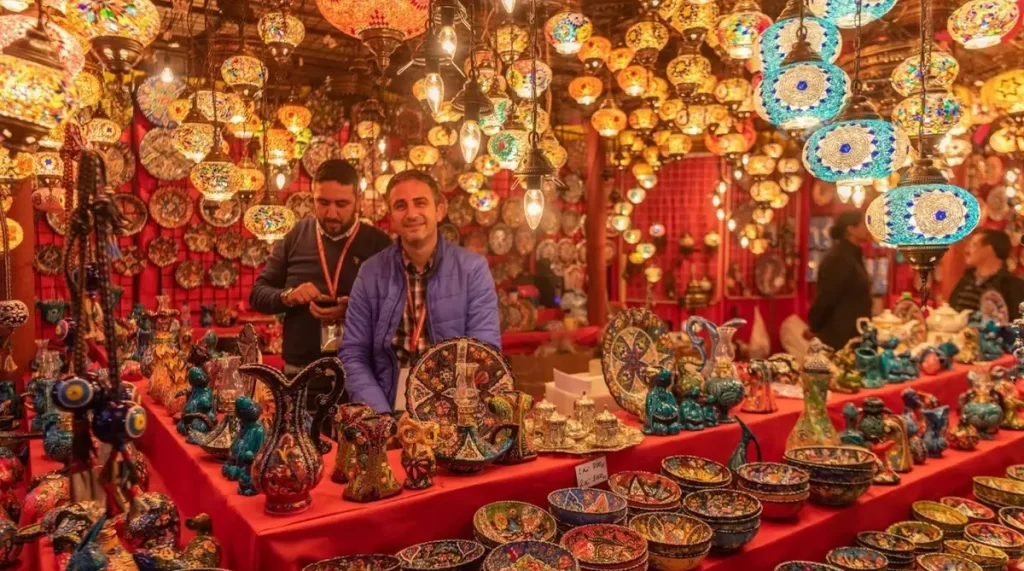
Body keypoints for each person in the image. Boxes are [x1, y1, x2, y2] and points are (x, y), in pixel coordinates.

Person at [339, 170, 501, 412]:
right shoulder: (370, 273)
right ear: (391, 215)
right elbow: (353, 354)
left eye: (420, 203)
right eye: (400, 205)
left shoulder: (472, 270)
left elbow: (484, 352)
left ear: (439, 210)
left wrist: (446, 415)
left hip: (456, 413)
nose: (412, 214)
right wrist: (381, 417)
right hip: (389, 410)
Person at [249, 159, 392, 407]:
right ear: (312, 196)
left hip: (361, 376)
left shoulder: (379, 244)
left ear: (358, 199)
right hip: (301, 373)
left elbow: (398, 311)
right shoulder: (294, 236)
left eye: (341, 204)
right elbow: (258, 295)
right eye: (323, 203)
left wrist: (355, 310)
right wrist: (288, 296)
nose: (331, 213)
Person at [807, 210, 873, 351]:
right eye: (863, 223)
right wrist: (814, 326)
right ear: (851, 229)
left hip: (855, 333)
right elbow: (827, 297)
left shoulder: (853, 255)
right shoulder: (839, 258)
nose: (868, 227)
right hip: (840, 338)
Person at [949, 229, 1024, 320]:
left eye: (973, 245)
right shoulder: (966, 280)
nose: (966, 250)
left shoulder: (1012, 285)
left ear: (989, 249)